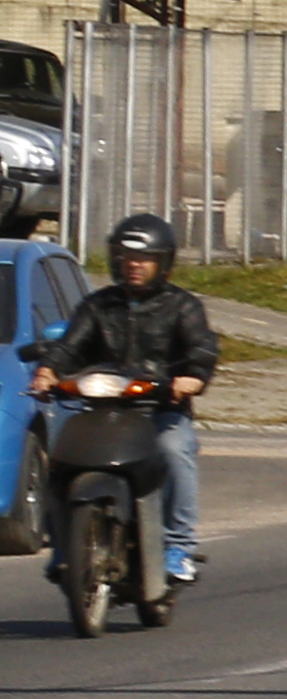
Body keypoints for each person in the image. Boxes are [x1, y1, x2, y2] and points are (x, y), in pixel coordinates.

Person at [35, 211, 218, 588]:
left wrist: (191, 379)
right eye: (127, 257)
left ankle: (179, 547)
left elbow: (202, 348)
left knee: (173, 451)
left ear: (163, 263)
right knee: (60, 460)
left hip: (160, 410)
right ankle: (63, 547)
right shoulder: (99, 305)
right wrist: (49, 371)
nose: (134, 266)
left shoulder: (182, 306)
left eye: (145, 259)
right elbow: (71, 345)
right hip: (104, 410)